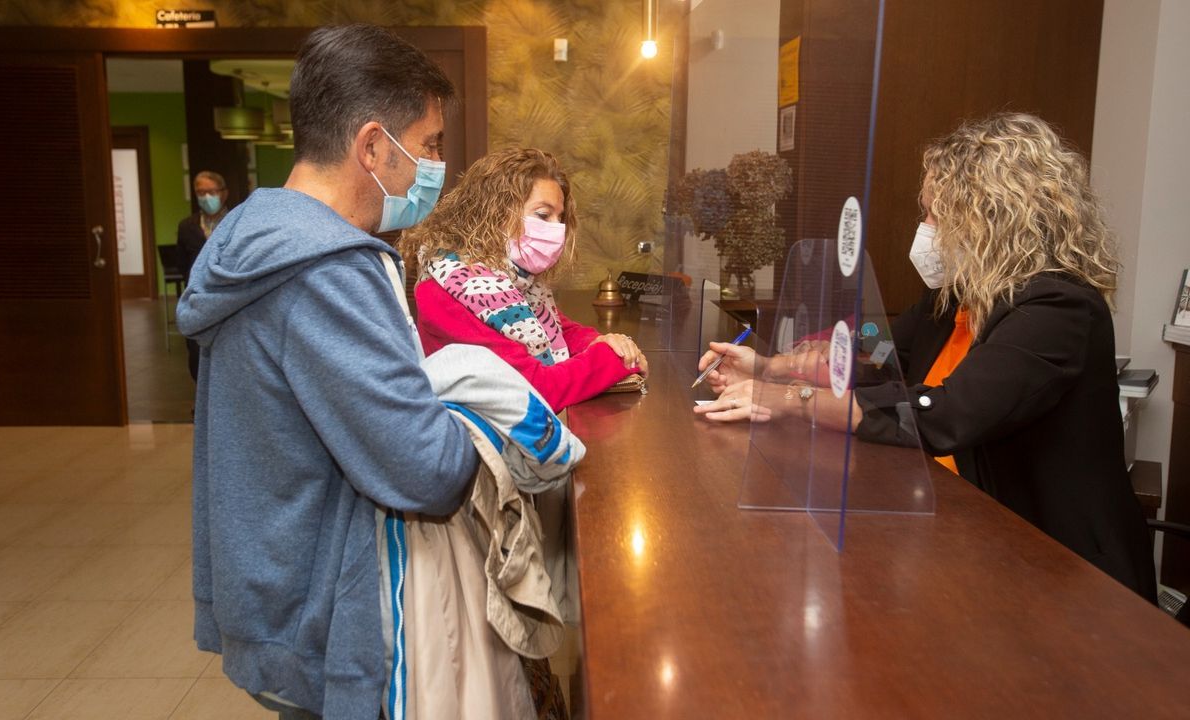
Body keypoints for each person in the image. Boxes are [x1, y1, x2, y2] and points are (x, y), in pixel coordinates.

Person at [694, 113, 1156, 600]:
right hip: (963, 527)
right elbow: (878, 348)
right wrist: (771, 366)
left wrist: (789, 398)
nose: (925, 228)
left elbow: (943, 415)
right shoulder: (956, 300)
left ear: (992, 218)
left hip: (1063, 571)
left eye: (936, 214)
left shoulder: (1058, 308)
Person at [176, 25, 479, 719]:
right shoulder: (328, 273)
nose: (436, 165)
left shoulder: (254, 238)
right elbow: (426, 469)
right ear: (372, 146)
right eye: (429, 145)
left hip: (273, 586)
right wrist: (478, 417)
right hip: (321, 617)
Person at [403, 147, 647, 413]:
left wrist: (603, 341)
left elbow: (561, 329)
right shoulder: (453, 289)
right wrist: (615, 359)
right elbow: (536, 390)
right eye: (543, 215)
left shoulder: (513, 280)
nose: (558, 228)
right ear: (495, 213)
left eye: (560, 217)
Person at [176, 170, 229, 381]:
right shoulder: (187, 226)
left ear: (224, 193)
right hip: (198, 297)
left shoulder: (236, 222)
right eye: (201, 192)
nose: (206, 197)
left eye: (211, 192)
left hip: (226, 297)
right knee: (197, 355)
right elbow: (182, 264)